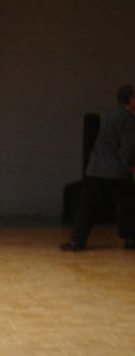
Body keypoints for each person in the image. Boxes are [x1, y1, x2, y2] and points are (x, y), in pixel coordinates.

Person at [61, 83, 135, 251]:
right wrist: (130, 167)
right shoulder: (128, 119)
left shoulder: (110, 115)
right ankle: (130, 239)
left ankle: (76, 241)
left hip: (95, 167)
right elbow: (127, 147)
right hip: (115, 169)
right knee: (127, 203)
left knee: (87, 205)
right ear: (130, 99)